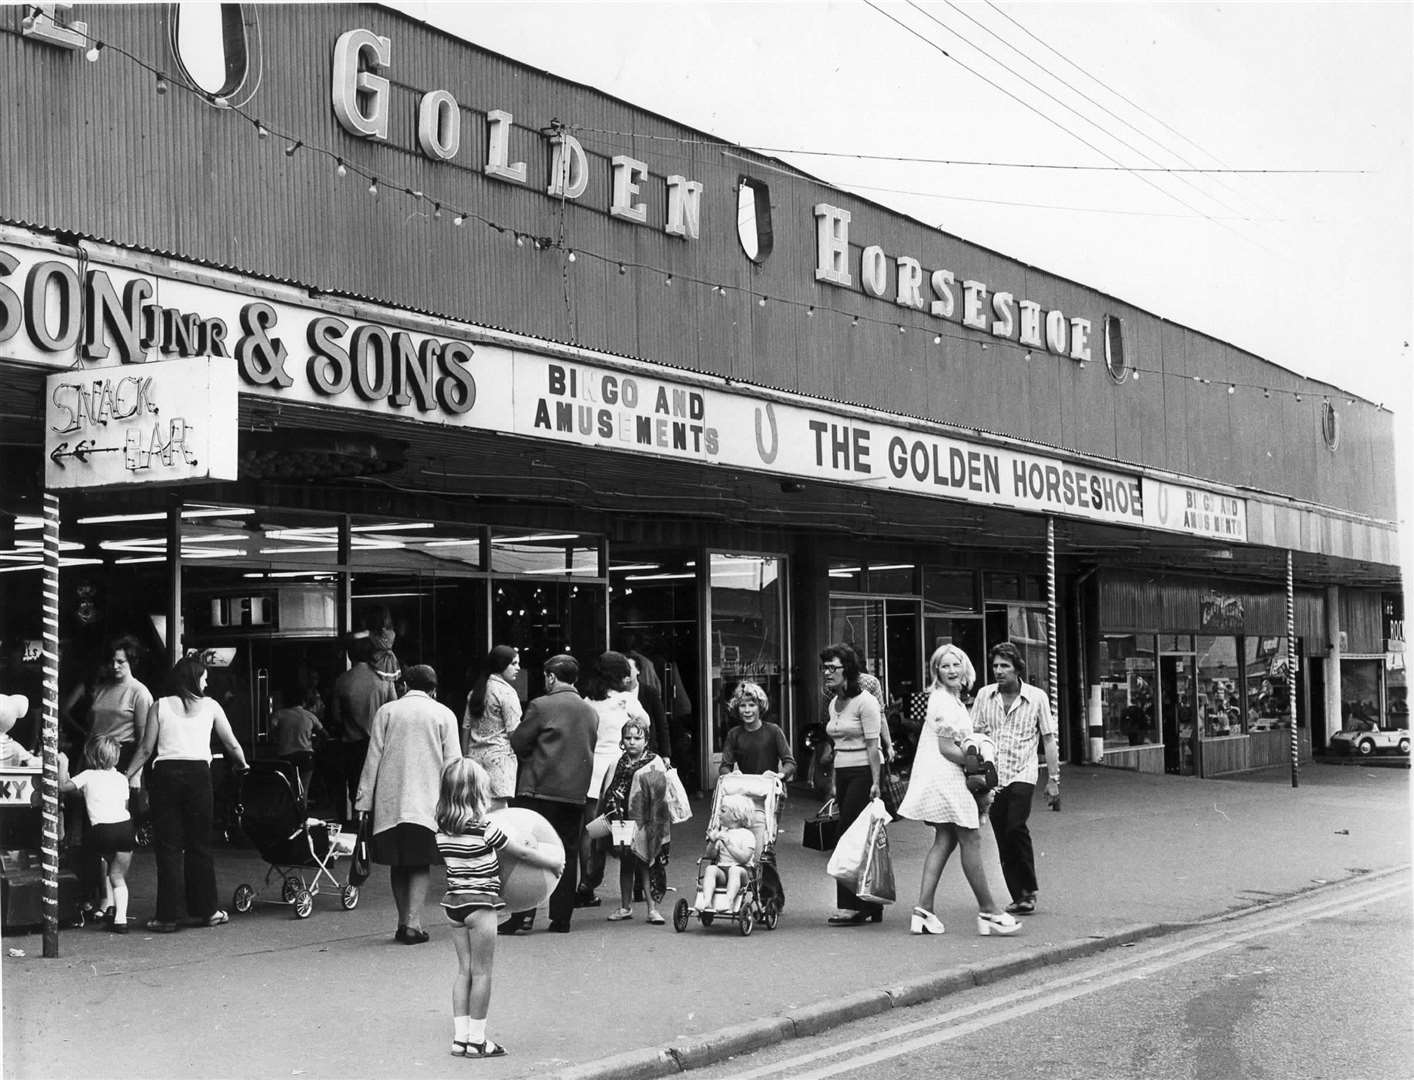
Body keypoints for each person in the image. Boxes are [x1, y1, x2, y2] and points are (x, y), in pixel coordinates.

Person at [435, 757, 565, 1059]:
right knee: (483, 974)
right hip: (481, 906)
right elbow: (520, 851)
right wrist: (553, 863)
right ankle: (478, 1041)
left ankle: (460, 1039)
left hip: (455, 905)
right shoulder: (486, 829)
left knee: (464, 972)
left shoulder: (441, 831)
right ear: (476, 795)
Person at [898, 645, 1020, 937]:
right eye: (944, 666)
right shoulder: (941, 700)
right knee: (971, 837)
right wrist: (977, 762)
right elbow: (945, 748)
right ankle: (989, 910)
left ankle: (923, 911)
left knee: (945, 840)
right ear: (936, 672)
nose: (951, 670)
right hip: (948, 779)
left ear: (964, 667)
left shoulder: (951, 699)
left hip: (942, 778)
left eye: (956, 665)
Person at [126, 655, 250, 933]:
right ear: (194, 678)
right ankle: (207, 911)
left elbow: (146, 749)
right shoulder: (211, 707)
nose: (208, 681)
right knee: (200, 844)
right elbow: (231, 743)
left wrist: (126, 774)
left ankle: (168, 917)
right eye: (204, 676)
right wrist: (243, 765)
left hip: (166, 777)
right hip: (198, 776)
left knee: (168, 846)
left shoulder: (160, 706)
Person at [355, 664, 460, 945]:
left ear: (403, 686)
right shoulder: (444, 714)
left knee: (397, 863)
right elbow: (453, 764)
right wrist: (456, 804)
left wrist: (363, 802)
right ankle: (413, 922)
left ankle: (403, 921)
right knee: (419, 863)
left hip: (390, 803)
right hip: (428, 802)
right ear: (433, 689)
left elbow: (372, 759)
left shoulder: (387, 712)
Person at [503, 654, 599, 934]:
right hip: (574, 792)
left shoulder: (541, 706)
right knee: (565, 853)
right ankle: (561, 918)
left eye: (546, 676)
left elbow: (519, 742)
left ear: (552, 677)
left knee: (527, 851)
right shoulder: (589, 711)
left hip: (539, 790)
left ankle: (523, 916)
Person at [970, 641, 1060, 917]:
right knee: (1001, 834)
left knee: (1015, 826)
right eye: (995, 666)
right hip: (994, 776)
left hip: (1023, 772)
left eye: (1004, 666)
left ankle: (1028, 890)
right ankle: (1018, 895)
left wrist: (1054, 779)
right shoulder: (985, 696)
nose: (998, 671)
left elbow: (1048, 738)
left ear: (1017, 668)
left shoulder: (1037, 697)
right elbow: (973, 735)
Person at [575, 651, 650, 908]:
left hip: (592, 774)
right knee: (623, 826)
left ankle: (587, 884)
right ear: (620, 676)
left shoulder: (586, 702)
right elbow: (645, 724)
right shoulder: (625, 700)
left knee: (593, 831)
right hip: (620, 773)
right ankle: (635, 883)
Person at [820, 642, 884, 926]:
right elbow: (836, 747)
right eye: (825, 667)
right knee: (855, 840)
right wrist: (834, 783)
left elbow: (874, 745)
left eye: (832, 667)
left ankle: (851, 906)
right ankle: (870, 904)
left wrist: (876, 782)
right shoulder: (834, 703)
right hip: (843, 773)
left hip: (862, 773)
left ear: (847, 669)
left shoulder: (866, 702)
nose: (827, 672)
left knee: (846, 837)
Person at [60, 734, 135, 933]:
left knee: (106, 865)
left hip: (101, 830)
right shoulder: (121, 778)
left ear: (91, 757)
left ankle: (105, 905)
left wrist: (63, 763)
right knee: (118, 875)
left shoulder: (88, 775)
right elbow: (124, 806)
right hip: (125, 826)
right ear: (116, 757)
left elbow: (63, 786)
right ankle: (120, 917)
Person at [599, 717, 668, 924]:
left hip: (645, 822)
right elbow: (608, 788)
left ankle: (652, 909)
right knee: (626, 864)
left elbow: (659, 795)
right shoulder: (617, 763)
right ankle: (625, 907)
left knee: (647, 862)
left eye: (637, 738)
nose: (632, 742)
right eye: (627, 738)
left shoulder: (654, 763)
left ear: (646, 740)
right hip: (622, 820)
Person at [331, 633, 396, 822]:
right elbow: (394, 712)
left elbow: (336, 716)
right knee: (380, 792)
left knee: (357, 793)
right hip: (380, 746)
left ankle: (361, 834)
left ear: (350, 656)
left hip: (353, 746)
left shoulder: (342, 681)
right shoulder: (384, 680)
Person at [65, 635, 154, 774]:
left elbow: (143, 742)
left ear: (132, 662)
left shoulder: (140, 693)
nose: (115, 666)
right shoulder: (101, 689)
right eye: (112, 661)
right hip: (93, 757)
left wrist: (135, 774)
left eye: (120, 662)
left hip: (121, 759)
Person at [462, 646, 523, 812]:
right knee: (499, 813)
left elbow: (466, 728)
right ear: (501, 664)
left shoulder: (475, 691)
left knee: (476, 811)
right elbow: (514, 732)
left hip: (474, 760)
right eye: (514, 663)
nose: (518, 668)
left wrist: (465, 756)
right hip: (499, 760)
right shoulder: (507, 693)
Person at [719, 680, 796, 781]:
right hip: (745, 788)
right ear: (737, 708)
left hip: (770, 788)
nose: (747, 710)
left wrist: (781, 775)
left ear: (760, 707)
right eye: (742, 706)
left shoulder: (774, 731)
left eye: (751, 705)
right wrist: (730, 775)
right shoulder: (734, 734)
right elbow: (725, 766)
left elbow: (790, 763)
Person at [693, 793, 756, 914]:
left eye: (723, 811)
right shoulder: (722, 833)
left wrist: (728, 844)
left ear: (736, 816)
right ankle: (707, 901)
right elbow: (711, 855)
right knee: (711, 869)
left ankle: (729, 901)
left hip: (742, 871)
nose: (719, 814)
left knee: (734, 870)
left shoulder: (747, 835)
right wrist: (712, 842)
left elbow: (744, 858)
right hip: (723, 871)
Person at [270, 682, 326, 800]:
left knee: (287, 790)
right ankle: (302, 815)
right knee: (303, 791)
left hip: (286, 757)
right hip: (306, 756)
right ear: (303, 701)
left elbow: (272, 731)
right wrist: (315, 744)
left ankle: (289, 816)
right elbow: (324, 734)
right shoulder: (309, 716)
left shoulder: (279, 715)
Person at [627, 652, 671, 763]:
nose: (626, 673)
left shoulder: (650, 693)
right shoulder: (619, 694)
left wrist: (665, 754)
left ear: (638, 671)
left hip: (648, 750)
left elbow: (661, 724)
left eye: (629, 668)